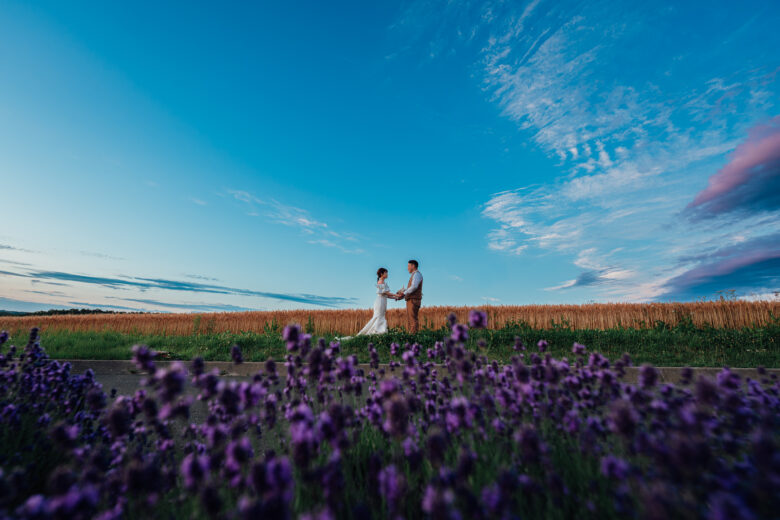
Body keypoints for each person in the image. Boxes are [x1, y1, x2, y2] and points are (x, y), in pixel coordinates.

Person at [356, 267, 399, 336]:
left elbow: (386, 295)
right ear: (382, 274)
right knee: (379, 316)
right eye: (386, 273)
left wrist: (395, 297)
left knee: (381, 316)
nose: (387, 274)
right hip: (380, 302)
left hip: (383, 300)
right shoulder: (381, 282)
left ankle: (379, 332)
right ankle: (378, 332)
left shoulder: (383, 282)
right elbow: (386, 293)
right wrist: (396, 295)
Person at [396, 260, 423, 334]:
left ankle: (413, 338)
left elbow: (414, 287)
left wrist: (404, 293)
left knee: (412, 320)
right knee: (410, 320)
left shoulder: (417, 274)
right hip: (411, 300)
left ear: (413, 266)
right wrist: (402, 293)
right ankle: (411, 336)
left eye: (408, 266)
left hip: (413, 300)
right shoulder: (414, 275)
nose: (407, 268)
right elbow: (411, 288)